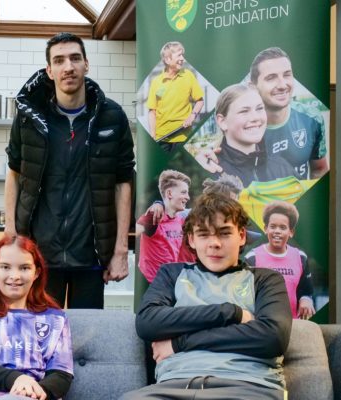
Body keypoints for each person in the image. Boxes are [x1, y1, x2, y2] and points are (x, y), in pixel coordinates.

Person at [4, 32, 134, 309]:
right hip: (40, 255)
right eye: (59, 61)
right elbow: (14, 172)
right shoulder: (30, 118)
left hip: (90, 254)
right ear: (49, 71)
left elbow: (123, 182)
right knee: (38, 338)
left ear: (86, 64)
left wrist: (121, 249)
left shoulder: (112, 116)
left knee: (84, 342)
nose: (68, 67)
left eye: (75, 58)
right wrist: (11, 234)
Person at [121, 193, 291, 400]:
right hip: (174, 386)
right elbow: (148, 322)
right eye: (203, 234)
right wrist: (231, 312)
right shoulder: (171, 274)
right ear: (191, 239)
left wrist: (179, 343)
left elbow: (272, 337)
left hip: (248, 386)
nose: (214, 243)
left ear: (242, 236)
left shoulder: (265, 279)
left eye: (224, 233)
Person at [0, 236, 73, 400]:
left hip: (36, 396)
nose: (15, 276)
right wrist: (17, 379)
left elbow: (62, 374)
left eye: (24, 268)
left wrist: (32, 392)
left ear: (36, 272)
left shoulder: (56, 319)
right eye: (5, 267)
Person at [197, 47, 328, 180]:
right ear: (253, 86)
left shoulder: (312, 118)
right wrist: (201, 159)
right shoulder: (241, 130)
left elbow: (320, 169)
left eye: (287, 74)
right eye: (271, 78)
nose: (283, 85)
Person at [209, 83, 297, 187]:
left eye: (259, 108)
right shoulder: (211, 171)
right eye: (244, 111)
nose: (255, 117)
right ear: (222, 121)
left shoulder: (282, 167)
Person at [245, 201, 315, 320]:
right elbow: (244, 297)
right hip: (262, 327)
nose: (277, 231)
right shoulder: (252, 258)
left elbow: (306, 290)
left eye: (283, 227)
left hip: (293, 326)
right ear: (266, 229)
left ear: (291, 232)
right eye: (273, 226)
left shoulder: (300, 257)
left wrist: (306, 300)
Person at [136, 170, 193, 283]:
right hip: (151, 284)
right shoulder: (153, 217)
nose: (188, 197)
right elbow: (133, 232)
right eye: (183, 192)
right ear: (169, 194)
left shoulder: (181, 217)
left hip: (170, 283)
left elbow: (201, 211)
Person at [147, 41, 204, 152]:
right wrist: (152, 134)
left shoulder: (188, 75)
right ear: (168, 59)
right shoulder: (157, 82)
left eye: (182, 55)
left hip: (183, 137)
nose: (182, 58)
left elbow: (200, 101)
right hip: (161, 138)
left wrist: (192, 116)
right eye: (179, 55)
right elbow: (152, 111)